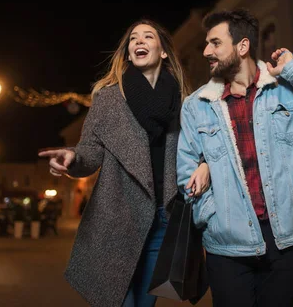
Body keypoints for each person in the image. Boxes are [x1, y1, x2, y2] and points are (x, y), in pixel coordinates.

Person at [176, 8, 293, 307]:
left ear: (242, 46)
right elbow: (185, 174)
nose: (207, 51)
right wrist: (213, 217)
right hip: (226, 245)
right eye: (206, 44)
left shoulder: (288, 93)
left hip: (280, 240)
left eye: (215, 43)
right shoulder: (196, 106)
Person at [39, 19, 211, 307]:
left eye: (148, 37)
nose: (139, 42)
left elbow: (201, 148)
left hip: (163, 219)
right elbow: (90, 152)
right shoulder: (107, 99)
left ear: (164, 51)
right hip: (118, 216)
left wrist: (205, 164)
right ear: (128, 52)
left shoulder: (184, 102)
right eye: (133, 39)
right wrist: (73, 158)